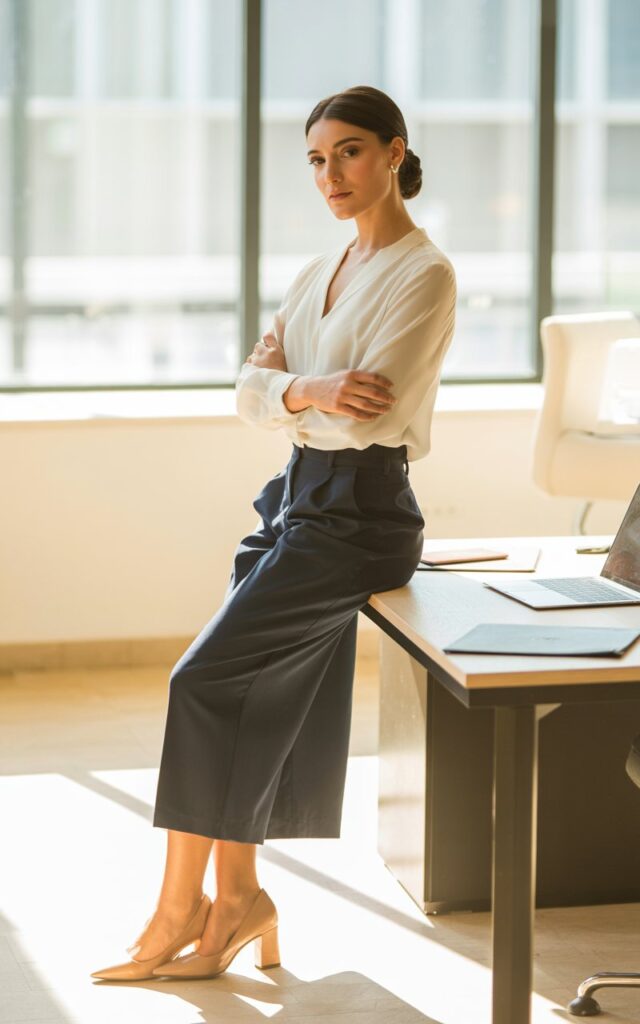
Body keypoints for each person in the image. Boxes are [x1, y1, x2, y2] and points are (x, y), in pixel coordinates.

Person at [91, 84, 456, 983]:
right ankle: (238, 900)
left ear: (396, 152)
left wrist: (293, 392)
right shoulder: (318, 272)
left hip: (360, 514)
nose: (331, 174)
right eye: (317, 160)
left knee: (200, 681)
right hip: (295, 500)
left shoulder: (425, 272)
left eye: (351, 153)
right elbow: (251, 395)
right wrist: (307, 392)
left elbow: (372, 419)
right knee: (244, 694)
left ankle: (182, 913)